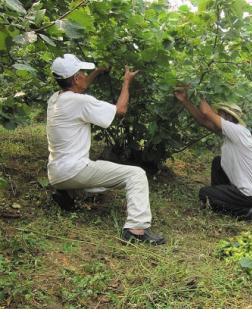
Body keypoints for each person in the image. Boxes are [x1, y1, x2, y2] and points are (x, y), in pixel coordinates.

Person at [47, 53, 165, 245]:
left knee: (97, 166)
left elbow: (79, 90)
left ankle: (66, 193)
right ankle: (136, 229)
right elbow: (120, 111)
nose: (85, 75)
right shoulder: (79, 102)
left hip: (56, 174)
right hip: (74, 171)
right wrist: (127, 81)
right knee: (135, 174)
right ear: (76, 78)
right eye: (83, 73)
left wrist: (97, 71)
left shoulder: (55, 99)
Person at [174, 88, 252, 220]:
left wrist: (196, 89)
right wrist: (185, 100)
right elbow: (203, 120)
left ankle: (245, 212)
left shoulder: (237, 131)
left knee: (204, 193)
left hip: (250, 194)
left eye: (220, 114)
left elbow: (206, 112)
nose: (216, 115)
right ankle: (219, 197)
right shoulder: (231, 133)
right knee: (218, 162)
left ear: (228, 117)